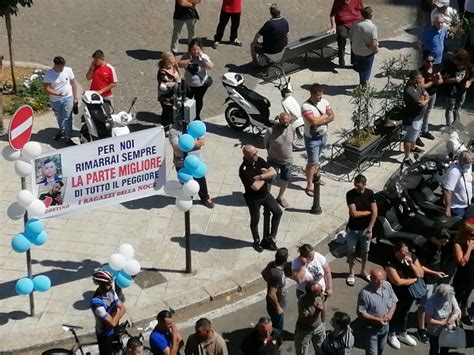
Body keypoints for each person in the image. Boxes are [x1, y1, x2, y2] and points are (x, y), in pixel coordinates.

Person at [239, 145, 282, 253]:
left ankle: (271, 237)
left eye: (256, 152)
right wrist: (266, 175)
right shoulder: (244, 170)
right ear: (246, 155)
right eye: (253, 154)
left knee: (278, 212)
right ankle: (256, 240)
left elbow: (274, 171)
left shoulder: (259, 160)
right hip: (253, 199)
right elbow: (255, 186)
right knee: (255, 220)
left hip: (265, 194)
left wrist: (261, 177)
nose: (256, 155)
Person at [385, 241, 425, 349]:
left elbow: (421, 273)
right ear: (396, 252)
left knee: (405, 312)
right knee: (395, 312)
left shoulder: (411, 257)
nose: (405, 254)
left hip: (409, 293)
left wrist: (411, 264)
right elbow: (398, 281)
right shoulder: (391, 263)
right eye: (402, 252)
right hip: (395, 293)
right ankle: (391, 334)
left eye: (406, 252)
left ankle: (403, 333)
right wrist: (414, 280)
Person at [415, 228, 451, 343]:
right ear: (437, 238)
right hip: (427, 281)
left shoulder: (439, 245)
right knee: (423, 305)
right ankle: (421, 329)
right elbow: (421, 266)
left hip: (435, 279)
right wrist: (435, 273)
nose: (445, 243)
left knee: (430, 302)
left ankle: (428, 320)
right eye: (443, 241)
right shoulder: (426, 248)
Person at [169, 119, 214, 209]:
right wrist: (194, 144)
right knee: (185, 182)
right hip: (181, 161)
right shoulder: (173, 130)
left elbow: (201, 142)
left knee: (201, 179)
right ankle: (188, 198)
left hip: (195, 161)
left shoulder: (195, 126)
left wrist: (186, 145)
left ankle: (205, 198)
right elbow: (176, 147)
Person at [301, 83, 335, 195]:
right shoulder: (306, 106)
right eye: (318, 96)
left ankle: (315, 177)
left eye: (321, 95)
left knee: (317, 160)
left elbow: (332, 116)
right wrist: (325, 116)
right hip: (312, 139)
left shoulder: (324, 102)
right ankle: (309, 184)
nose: (320, 98)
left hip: (323, 136)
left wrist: (321, 119)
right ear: (312, 94)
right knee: (312, 162)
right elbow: (313, 121)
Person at [345, 174, 378, 287]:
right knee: (351, 251)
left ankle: (363, 270)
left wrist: (370, 229)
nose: (356, 188)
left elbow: (375, 211)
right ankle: (351, 272)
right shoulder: (350, 194)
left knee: (365, 251)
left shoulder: (370, 194)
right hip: (353, 229)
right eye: (355, 185)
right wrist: (367, 212)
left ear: (364, 184)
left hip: (365, 229)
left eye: (358, 186)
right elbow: (354, 213)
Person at [357, 268, 398, 355]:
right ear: (371, 278)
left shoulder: (387, 285)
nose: (380, 282)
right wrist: (376, 319)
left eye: (382, 279)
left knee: (381, 348)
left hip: (385, 327)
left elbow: (394, 301)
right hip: (372, 329)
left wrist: (390, 313)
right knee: (372, 353)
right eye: (378, 280)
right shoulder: (365, 294)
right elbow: (361, 312)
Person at [43, 56, 78, 146]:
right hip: (55, 100)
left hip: (68, 98)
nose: (62, 69)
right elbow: (47, 88)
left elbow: (73, 83)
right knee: (59, 117)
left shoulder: (68, 70)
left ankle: (68, 137)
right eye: (60, 67)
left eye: (63, 66)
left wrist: (75, 97)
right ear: (55, 65)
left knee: (68, 118)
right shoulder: (49, 74)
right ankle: (62, 131)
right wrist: (56, 94)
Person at [263, 112, 295, 208]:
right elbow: (266, 143)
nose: (286, 124)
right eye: (284, 122)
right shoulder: (271, 131)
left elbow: (291, 141)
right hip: (273, 160)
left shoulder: (292, 128)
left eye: (287, 122)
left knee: (286, 179)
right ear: (279, 120)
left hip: (287, 160)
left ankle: (280, 197)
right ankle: (267, 196)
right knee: (270, 179)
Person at [90, 270, 126, 355]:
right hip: (105, 335)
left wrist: (115, 318)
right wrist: (117, 311)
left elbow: (123, 309)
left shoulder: (110, 291)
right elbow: (112, 323)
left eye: (111, 283)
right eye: (108, 284)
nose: (110, 285)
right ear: (100, 284)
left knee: (117, 349)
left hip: (114, 329)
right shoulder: (97, 303)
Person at [178, 38, 214, 121]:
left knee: (198, 101)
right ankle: (187, 116)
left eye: (197, 49)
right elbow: (179, 64)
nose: (196, 51)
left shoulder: (204, 57)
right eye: (194, 49)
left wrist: (203, 58)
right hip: (188, 85)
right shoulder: (186, 55)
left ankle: (197, 116)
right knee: (187, 101)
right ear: (190, 49)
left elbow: (210, 66)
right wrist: (189, 59)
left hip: (200, 85)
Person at [425, 284, 462, 355]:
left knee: (445, 347)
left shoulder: (450, 296)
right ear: (439, 296)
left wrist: (453, 317)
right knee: (434, 348)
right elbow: (428, 320)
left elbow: (457, 309)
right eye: (445, 299)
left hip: (447, 330)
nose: (447, 301)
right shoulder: (431, 301)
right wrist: (444, 323)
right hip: (434, 330)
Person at [402, 70, 429, 164]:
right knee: (409, 138)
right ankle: (406, 157)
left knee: (415, 135)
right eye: (419, 79)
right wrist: (424, 100)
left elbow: (426, 94)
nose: (421, 80)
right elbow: (419, 102)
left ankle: (413, 148)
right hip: (413, 118)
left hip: (419, 117)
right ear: (413, 79)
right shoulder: (409, 90)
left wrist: (425, 100)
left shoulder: (417, 85)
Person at [441, 49, 473, 126]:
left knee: (458, 108)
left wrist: (470, 81)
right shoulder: (450, 66)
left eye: (456, 60)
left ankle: (456, 125)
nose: (454, 61)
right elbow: (444, 80)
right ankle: (448, 125)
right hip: (452, 90)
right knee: (450, 108)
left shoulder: (468, 66)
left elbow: (472, 74)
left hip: (462, 90)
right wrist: (453, 80)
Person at [294, 281, 326, 355]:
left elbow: (323, 306)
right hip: (305, 330)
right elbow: (306, 320)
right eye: (319, 291)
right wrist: (317, 311)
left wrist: (323, 322)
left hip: (318, 327)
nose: (322, 292)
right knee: (302, 352)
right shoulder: (303, 301)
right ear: (312, 294)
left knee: (321, 349)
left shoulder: (319, 295)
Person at [329, 0, 364, 67]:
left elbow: (363, 12)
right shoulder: (338, 1)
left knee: (355, 39)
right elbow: (332, 15)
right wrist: (333, 27)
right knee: (341, 36)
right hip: (342, 23)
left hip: (355, 23)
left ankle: (355, 62)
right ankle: (341, 56)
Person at [261, 247, 289, 332]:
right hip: (276, 304)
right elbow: (271, 294)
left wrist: (270, 281)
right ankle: (274, 338)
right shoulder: (278, 275)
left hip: (275, 302)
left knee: (275, 321)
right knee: (277, 327)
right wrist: (278, 308)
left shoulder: (271, 264)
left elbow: (263, 273)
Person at [452, 219, 474, 324]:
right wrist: (469, 248)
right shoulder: (458, 245)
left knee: (466, 296)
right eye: (472, 234)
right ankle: (455, 318)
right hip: (462, 277)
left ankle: (464, 313)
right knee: (458, 297)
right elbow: (462, 262)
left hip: (471, 276)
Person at [349, 6, 378, 86]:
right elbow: (374, 43)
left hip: (356, 51)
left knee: (361, 68)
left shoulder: (356, 23)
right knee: (367, 70)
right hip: (367, 53)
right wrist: (375, 50)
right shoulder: (372, 27)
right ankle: (363, 84)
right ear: (371, 15)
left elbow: (350, 36)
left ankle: (362, 81)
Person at [418, 51, 443, 143]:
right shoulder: (421, 72)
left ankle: (424, 131)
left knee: (427, 113)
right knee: (420, 115)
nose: (430, 64)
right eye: (428, 62)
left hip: (433, 95)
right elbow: (422, 86)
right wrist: (433, 81)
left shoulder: (435, 68)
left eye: (432, 61)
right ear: (424, 61)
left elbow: (441, 81)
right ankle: (417, 136)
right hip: (424, 96)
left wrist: (437, 80)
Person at [442, 151, 472, 218]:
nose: (469, 164)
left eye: (470, 162)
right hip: (458, 206)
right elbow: (447, 190)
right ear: (460, 160)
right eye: (467, 162)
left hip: (467, 202)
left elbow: (469, 178)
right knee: (459, 224)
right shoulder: (454, 172)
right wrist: (448, 209)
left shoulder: (468, 166)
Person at [157, 52, 181, 134]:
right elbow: (166, 84)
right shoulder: (162, 72)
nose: (173, 63)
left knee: (172, 111)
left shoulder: (173, 67)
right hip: (166, 96)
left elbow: (179, 76)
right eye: (171, 62)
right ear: (166, 62)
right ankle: (165, 128)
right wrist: (176, 82)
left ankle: (171, 124)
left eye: (173, 61)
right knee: (166, 112)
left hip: (174, 95)